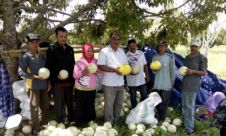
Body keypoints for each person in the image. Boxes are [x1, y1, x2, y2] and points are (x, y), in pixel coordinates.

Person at [18, 33, 49, 133]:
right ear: (28, 44)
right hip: (33, 85)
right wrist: (34, 77)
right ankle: (36, 128)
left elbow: (46, 68)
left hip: (44, 84)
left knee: (45, 105)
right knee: (35, 107)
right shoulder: (25, 57)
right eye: (32, 43)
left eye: (36, 42)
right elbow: (21, 72)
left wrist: (48, 82)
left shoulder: (41, 55)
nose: (35, 44)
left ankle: (44, 124)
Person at [97, 32, 128, 124]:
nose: (116, 41)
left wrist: (127, 69)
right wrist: (114, 70)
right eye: (114, 39)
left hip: (120, 82)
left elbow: (126, 65)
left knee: (119, 103)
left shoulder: (121, 51)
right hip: (109, 83)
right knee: (109, 105)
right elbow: (100, 66)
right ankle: (108, 123)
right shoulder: (104, 51)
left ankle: (116, 121)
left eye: (118, 39)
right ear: (110, 39)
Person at [46, 27, 75, 123]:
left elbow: (73, 65)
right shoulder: (51, 49)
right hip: (57, 82)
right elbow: (48, 66)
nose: (63, 38)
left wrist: (73, 79)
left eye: (65, 36)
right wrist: (55, 77)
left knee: (70, 103)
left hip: (69, 82)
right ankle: (60, 122)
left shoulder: (70, 49)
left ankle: (71, 120)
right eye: (61, 36)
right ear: (56, 36)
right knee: (59, 104)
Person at [182, 38, 207, 135]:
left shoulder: (202, 58)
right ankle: (185, 123)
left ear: (199, 47)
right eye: (192, 46)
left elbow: (204, 72)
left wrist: (192, 71)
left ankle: (189, 129)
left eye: (195, 46)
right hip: (185, 83)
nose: (193, 48)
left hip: (193, 85)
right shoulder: (187, 57)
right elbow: (184, 69)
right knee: (184, 105)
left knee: (189, 106)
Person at [73, 43, 99, 126]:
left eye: (92, 51)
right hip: (80, 88)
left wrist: (98, 72)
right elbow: (75, 75)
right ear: (84, 51)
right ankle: (79, 122)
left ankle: (90, 121)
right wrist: (83, 71)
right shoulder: (79, 62)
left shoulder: (95, 61)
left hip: (91, 88)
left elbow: (98, 73)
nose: (90, 52)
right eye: (88, 51)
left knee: (90, 105)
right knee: (80, 106)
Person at [151, 40, 175, 125]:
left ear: (166, 47)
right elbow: (153, 72)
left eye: (163, 46)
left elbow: (172, 72)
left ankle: (162, 119)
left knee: (164, 103)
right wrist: (154, 69)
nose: (161, 48)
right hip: (157, 84)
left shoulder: (169, 58)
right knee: (157, 102)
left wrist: (172, 83)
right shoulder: (155, 57)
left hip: (166, 84)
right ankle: (158, 116)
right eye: (160, 46)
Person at [126, 39, 149, 108]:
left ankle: (143, 110)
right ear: (128, 47)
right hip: (131, 81)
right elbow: (125, 69)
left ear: (136, 45)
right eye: (130, 46)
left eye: (134, 45)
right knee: (133, 98)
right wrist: (131, 73)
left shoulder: (141, 53)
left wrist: (147, 75)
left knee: (144, 96)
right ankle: (135, 111)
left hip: (141, 79)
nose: (132, 47)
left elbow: (145, 65)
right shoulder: (126, 55)